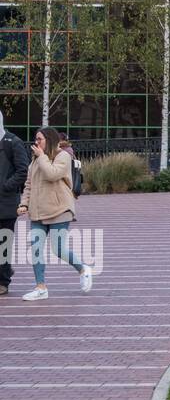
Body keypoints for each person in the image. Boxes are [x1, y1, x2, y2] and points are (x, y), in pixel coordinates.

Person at [15, 128, 92, 301]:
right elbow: (28, 184)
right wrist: (24, 203)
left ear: (48, 140)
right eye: (36, 139)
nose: (36, 143)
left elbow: (52, 174)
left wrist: (41, 156)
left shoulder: (63, 156)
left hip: (59, 210)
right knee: (35, 250)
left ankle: (83, 269)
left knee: (58, 250)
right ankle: (40, 288)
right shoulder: (35, 161)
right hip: (37, 212)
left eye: (39, 139)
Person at [0, 111, 30, 297]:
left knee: (3, 244)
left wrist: (5, 186)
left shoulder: (13, 142)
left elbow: (22, 170)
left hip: (5, 205)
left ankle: (3, 282)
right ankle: (5, 270)